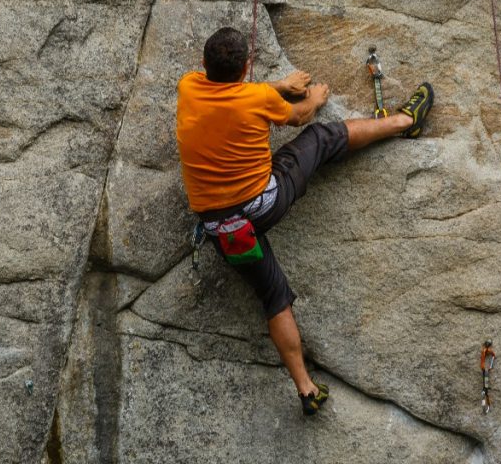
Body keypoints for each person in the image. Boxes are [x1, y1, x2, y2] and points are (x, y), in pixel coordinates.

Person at [175, 27, 433, 415]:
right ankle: (404, 122)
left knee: (273, 296)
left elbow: (235, 95)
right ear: (247, 67)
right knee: (320, 137)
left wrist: (277, 85)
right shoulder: (257, 97)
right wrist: (312, 97)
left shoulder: (188, 87)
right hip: (263, 204)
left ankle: (306, 388)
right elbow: (297, 116)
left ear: (203, 64)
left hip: (222, 229)